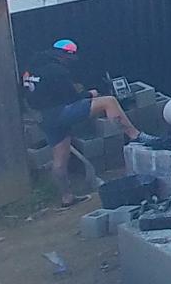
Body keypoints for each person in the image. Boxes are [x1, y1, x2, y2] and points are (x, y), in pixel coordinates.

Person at [25, 39, 159, 208]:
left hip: (44, 118)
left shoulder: (32, 67)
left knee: (59, 159)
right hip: (60, 112)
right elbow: (73, 99)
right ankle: (135, 135)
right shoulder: (57, 71)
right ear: (65, 55)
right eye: (70, 57)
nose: (71, 61)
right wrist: (90, 94)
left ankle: (67, 198)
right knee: (109, 102)